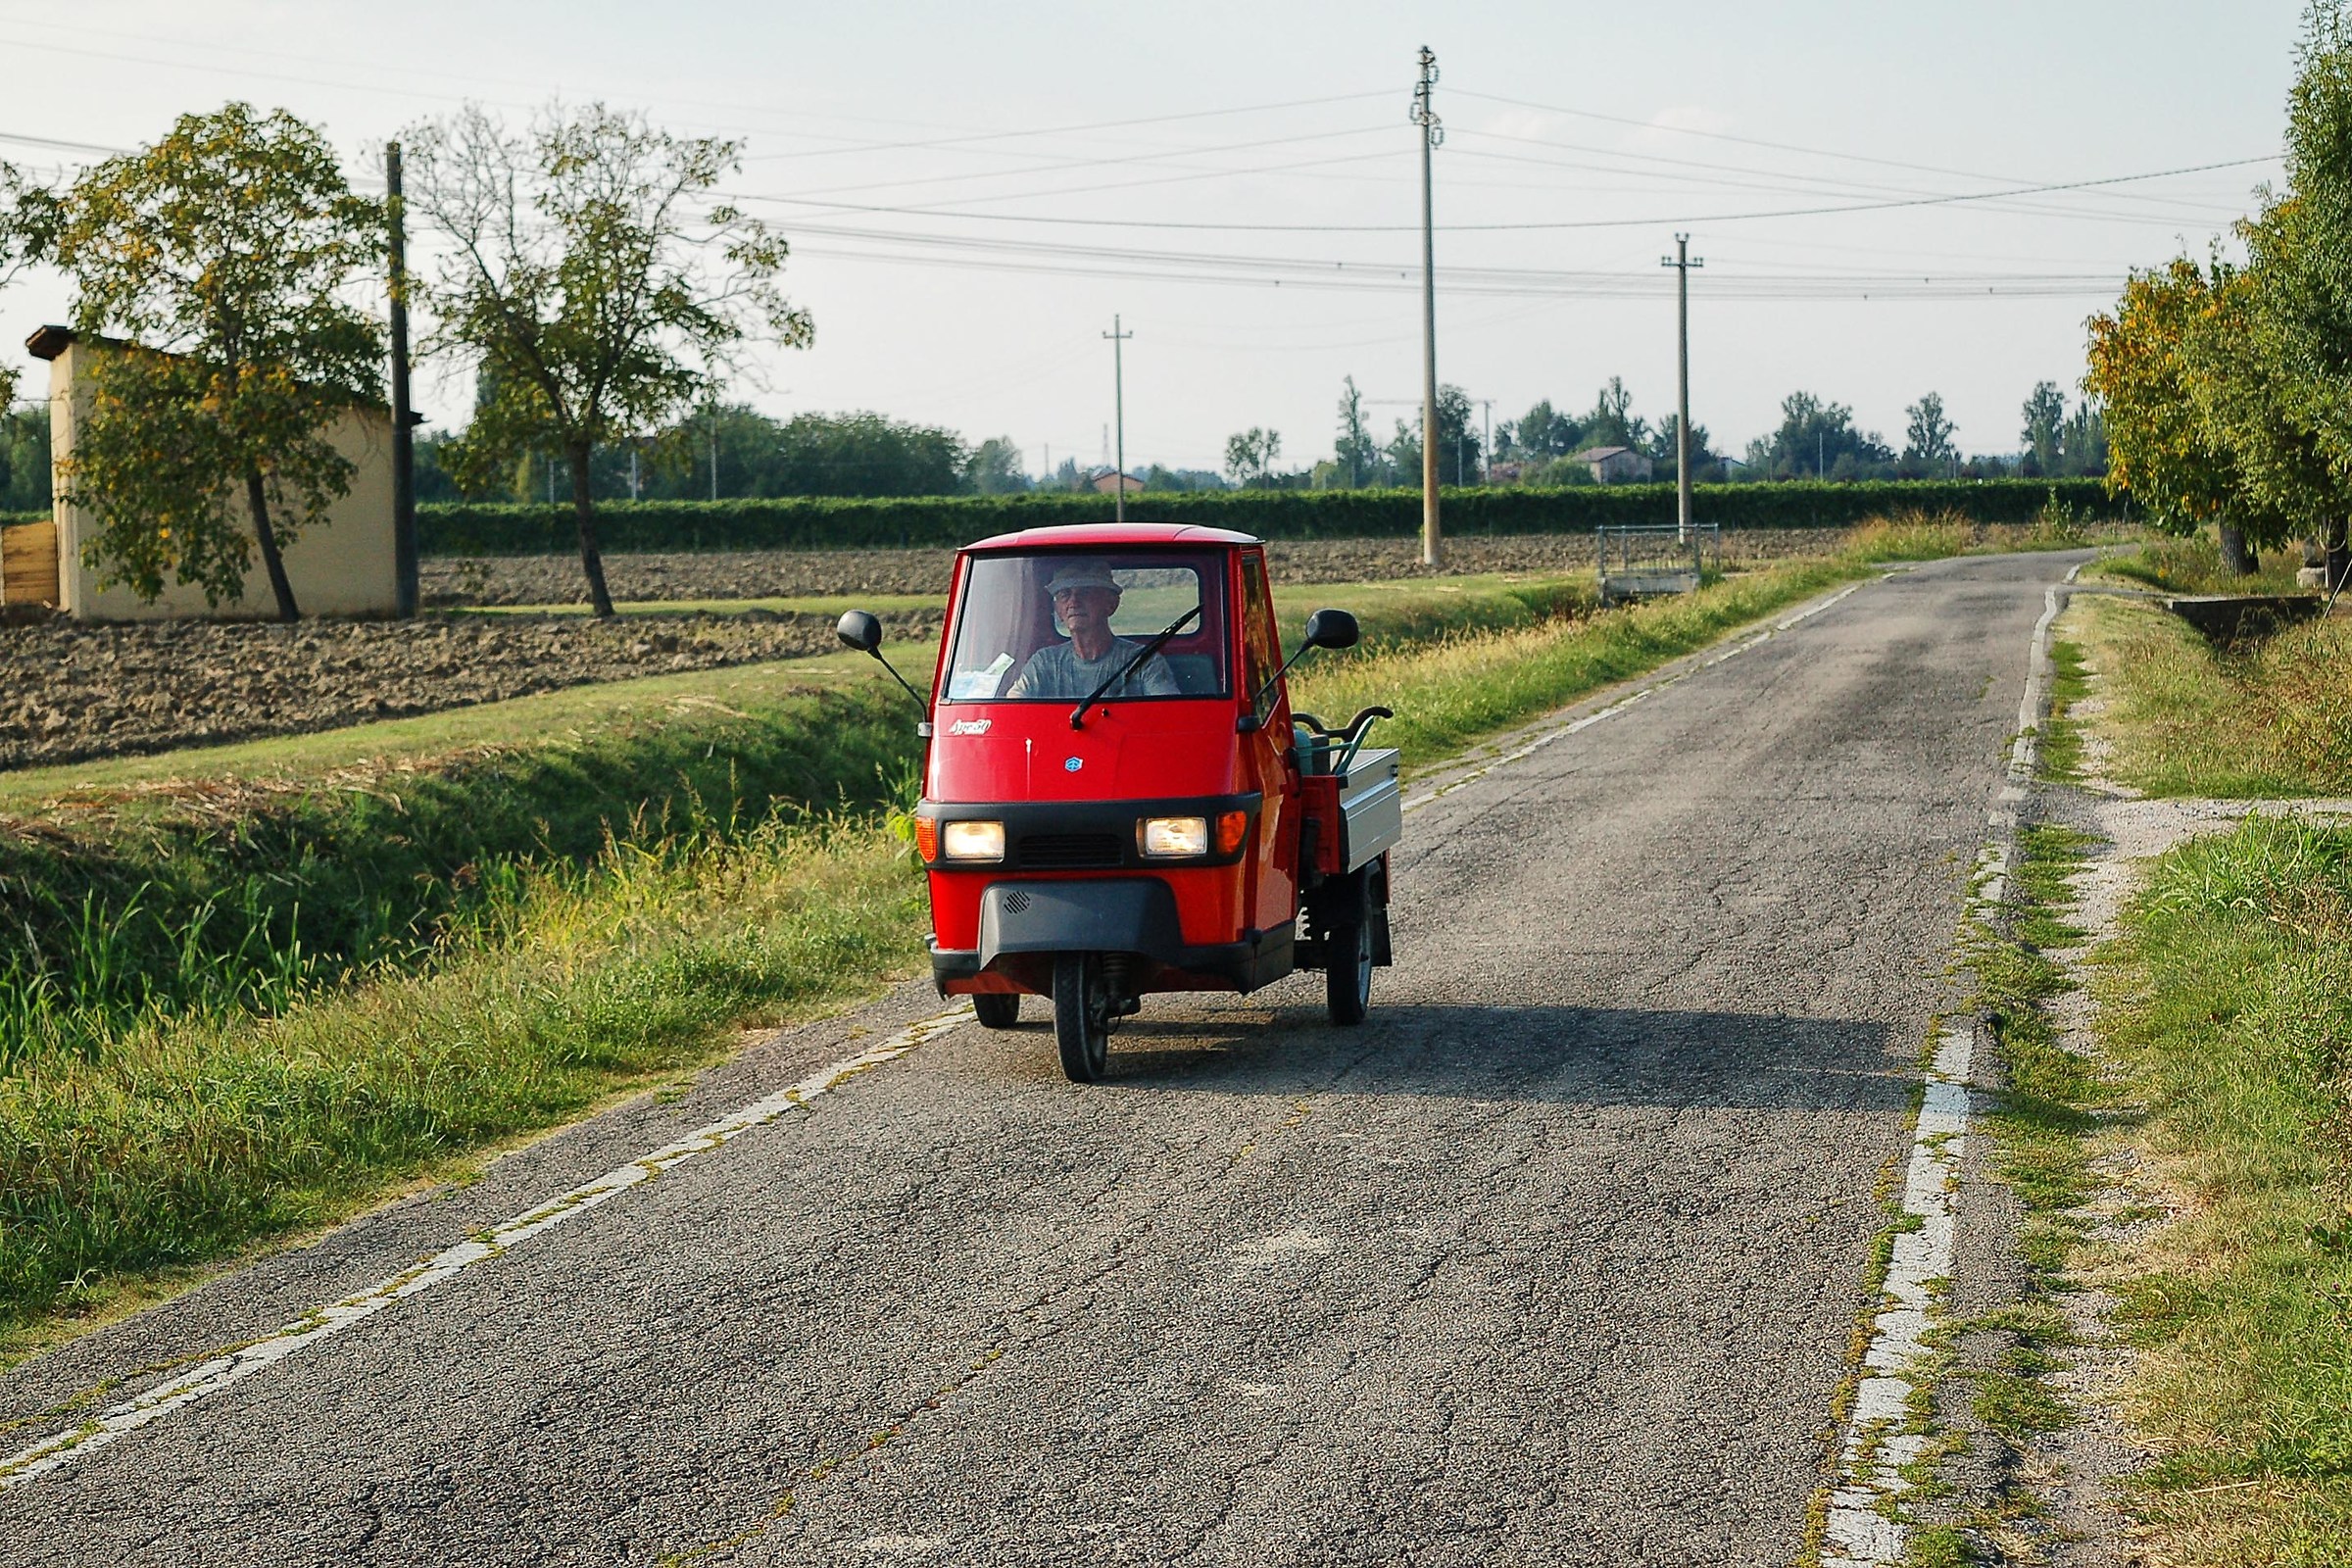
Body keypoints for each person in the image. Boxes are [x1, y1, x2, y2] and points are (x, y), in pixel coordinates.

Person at [1005, 560, 1181, 700]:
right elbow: (1014, 704)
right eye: (1065, 594)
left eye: (1085, 592)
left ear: (1111, 604)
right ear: (1058, 610)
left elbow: (1168, 711)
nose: (1073, 602)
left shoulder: (1144, 661)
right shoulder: (1044, 662)